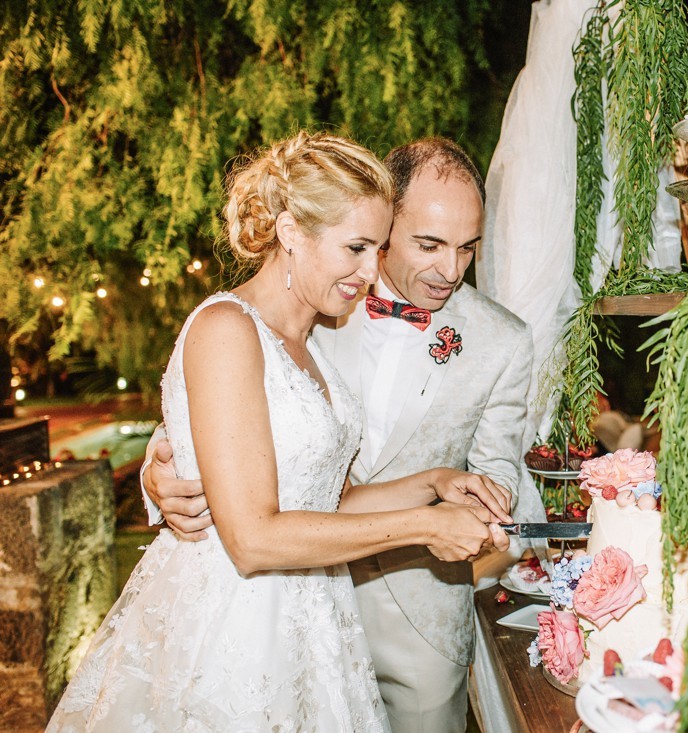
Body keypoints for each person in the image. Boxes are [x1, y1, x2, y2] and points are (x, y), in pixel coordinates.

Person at [49, 132, 511, 732]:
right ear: (291, 232)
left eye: (377, 250)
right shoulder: (226, 327)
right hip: (233, 634)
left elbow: (326, 501)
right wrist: (424, 525)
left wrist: (436, 482)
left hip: (314, 623)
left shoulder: (306, 342)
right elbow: (253, 537)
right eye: (357, 249)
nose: (372, 273)